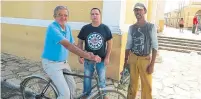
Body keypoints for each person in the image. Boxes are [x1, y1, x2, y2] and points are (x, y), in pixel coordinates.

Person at [41, 6, 101, 99]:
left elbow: (73, 44)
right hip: (51, 64)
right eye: (60, 15)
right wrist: (88, 56)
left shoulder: (67, 27)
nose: (63, 17)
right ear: (54, 16)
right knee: (65, 95)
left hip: (63, 62)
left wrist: (84, 53)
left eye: (65, 15)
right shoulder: (52, 28)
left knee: (72, 88)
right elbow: (68, 45)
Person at [123, 3, 158, 99]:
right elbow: (128, 45)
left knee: (147, 86)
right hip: (133, 58)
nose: (138, 12)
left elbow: (155, 46)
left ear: (145, 11)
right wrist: (125, 61)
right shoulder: (131, 28)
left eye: (140, 10)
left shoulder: (151, 27)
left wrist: (152, 64)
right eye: (136, 10)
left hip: (145, 59)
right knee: (132, 85)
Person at [77, 8, 113, 98]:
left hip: (101, 59)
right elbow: (80, 42)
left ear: (100, 15)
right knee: (87, 79)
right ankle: (86, 95)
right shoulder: (85, 28)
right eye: (92, 14)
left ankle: (103, 95)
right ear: (90, 16)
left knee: (101, 79)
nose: (94, 16)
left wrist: (107, 57)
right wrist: (80, 55)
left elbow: (110, 44)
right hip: (88, 60)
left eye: (96, 14)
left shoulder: (105, 28)